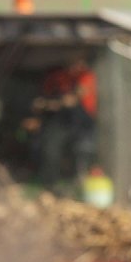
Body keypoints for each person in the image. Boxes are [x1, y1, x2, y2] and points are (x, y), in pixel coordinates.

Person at [32, 55, 98, 187]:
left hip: (82, 122)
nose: (75, 66)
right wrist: (48, 104)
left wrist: (51, 104)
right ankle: (51, 183)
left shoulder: (86, 75)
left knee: (82, 151)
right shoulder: (60, 76)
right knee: (50, 148)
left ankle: (79, 184)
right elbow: (44, 100)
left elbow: (73, 99)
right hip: (61, 121)